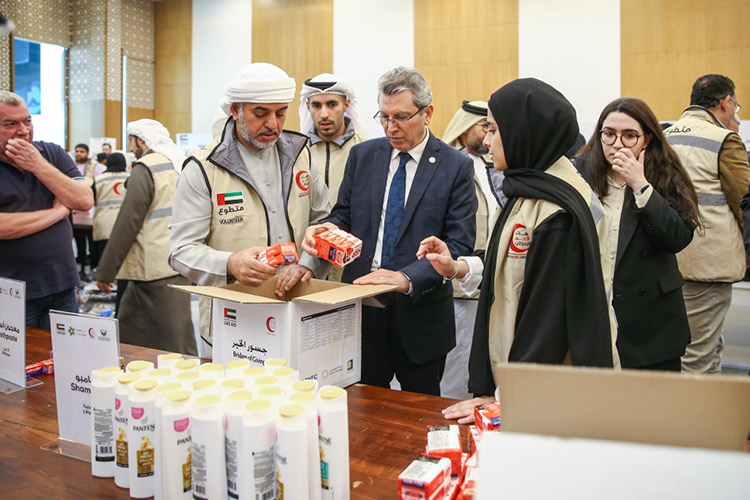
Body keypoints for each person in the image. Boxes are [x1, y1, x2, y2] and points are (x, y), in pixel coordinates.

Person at [418, 78, 618, 422]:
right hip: (520, 388)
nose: (487, 140)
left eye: (495, 129)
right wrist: (458, 268)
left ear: (525, 132)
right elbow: (512, 269)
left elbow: (549, 325)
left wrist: (503, 401)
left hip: (542, 401)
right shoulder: (529, 188)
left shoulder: (558, 210)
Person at [302, 66, 477, 396]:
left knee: (419, 409)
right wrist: (324, 230)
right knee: (363, 403)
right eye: (383, 116)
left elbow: (458, 242)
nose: (391, 127)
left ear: (428, 113)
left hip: (421, 310)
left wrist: (408, 278)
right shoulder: (364, 155)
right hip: (364, 305)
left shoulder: (456, 166)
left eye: (401, 117)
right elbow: (344, 216)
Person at [168, 62, 331, 348]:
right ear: (235, 109)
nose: (273, 124)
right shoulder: (203, 169)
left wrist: (309, 265)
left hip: (299, 309)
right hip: (234, 321)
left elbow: (323, 221)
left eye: (281, 113)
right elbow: (181, 251)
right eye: (260, 113)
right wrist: (229, 263)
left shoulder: (301, 156)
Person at [575, 97, 700, 371]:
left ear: (647, 139)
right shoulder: (579, 172)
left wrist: (641, 185)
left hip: (650, 317)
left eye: (629, 136)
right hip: (594, 306)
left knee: (652, 408)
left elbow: (677, 238)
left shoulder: (665, 173)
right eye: (609, 134)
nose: (617, 144)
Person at [664, 74, 750, 374]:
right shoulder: (724, 140)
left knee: (687, 348)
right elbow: (745, 202)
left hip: (670, 262)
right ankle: (697, 419)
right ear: (726, 102)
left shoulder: (666, 136)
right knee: (701, 355)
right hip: (708, 264)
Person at [95, 119, 197, 355]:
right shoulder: (177, 163)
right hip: (179, 262)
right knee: (177, 333)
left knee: (154, 341)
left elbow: (127, 223)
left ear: (142, 140)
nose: (131, 148)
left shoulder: (146, 167)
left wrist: (105, 271)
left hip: (152, 268)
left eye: (132, 141)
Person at [0, 91, 93, 328]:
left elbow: (83, 200)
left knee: (68, 361)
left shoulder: (51, 153)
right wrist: (58, 212)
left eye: (27, 121)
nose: (23, 130)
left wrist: (37, 164)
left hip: (61, 286)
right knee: (19, 364)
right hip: (12, 296)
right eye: (10, 124)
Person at [439, 99, 503, 399]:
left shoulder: (496, 167)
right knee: (455, 365)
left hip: (487, 284)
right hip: (458, 288)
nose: (487, 136)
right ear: (464, 129)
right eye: (483, 127)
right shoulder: (448, 168)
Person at [299, 73, 369, 283]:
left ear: (346, 104)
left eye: (332, 104)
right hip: (305, 265)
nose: (324, 114)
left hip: (352, 268)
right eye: (316, 106)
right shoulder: (297, 154)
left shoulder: (366, 151)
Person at [91, 152, 129, 312]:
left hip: (103, 224)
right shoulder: (131, 176)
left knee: (104, 259)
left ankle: (105, 287)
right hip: (124, 224)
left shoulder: (99, 179)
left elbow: (91, 200)